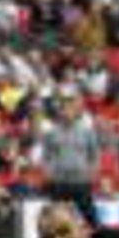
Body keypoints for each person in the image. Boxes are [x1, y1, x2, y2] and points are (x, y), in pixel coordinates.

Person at [41, 92, 101, 226]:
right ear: (60, 112)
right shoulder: (52, 133)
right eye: (64, 109)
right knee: (56, 219)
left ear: (76, 112)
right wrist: (48, 173)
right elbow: (46, 155)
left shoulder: (87, 132)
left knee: (91, 218)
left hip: (81, 181)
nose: (67, 112)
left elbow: (95, 155)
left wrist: (92, 173)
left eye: (71, 109)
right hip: (59, 182)